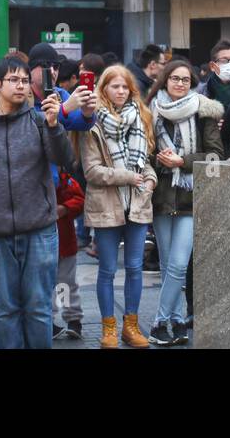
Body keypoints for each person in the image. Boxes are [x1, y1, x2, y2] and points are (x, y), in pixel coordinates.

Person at [0, 56, 74, 349]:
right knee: (5, 308)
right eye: (14, 80)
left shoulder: (38, 120)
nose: (21, 86)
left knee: (37, 308)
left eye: (24, 80)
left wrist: (54, 124)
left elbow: (65, 160)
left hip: (39, 229)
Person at [145, 57, 222, 346]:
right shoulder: (150, 113)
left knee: (178, 264)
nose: (180, 83)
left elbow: (215, 155)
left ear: (192, 83)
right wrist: (159, 161)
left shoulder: (205, 111)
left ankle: (157, 322)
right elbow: (144, 153)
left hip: (191, 197)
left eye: (185, 80)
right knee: (167, 266)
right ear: (165, 81)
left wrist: (183, 161)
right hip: (162, 197)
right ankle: (176, 322)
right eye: (175, 78)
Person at [83, 65, 157, 348]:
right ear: (104, 89)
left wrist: (149, 180)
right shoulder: (92, 123)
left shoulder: (140, 117)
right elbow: (91, 171)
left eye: (125, 87)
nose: (121, 91)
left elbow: (146, 162)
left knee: (135, 268)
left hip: (137, 203)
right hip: (106, 206)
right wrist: (127, 176)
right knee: (107, 270)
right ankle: (108, 329)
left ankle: (131, 326)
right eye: (115, 86)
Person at [52, 165, 85, 341]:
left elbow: (79, 199)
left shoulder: (65, 179)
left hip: (64, 243)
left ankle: (73, 319)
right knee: (44, 285)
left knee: (65, 283)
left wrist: (64, 208)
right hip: (44, 242)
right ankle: (47, 320)